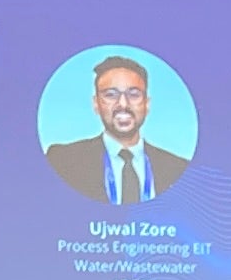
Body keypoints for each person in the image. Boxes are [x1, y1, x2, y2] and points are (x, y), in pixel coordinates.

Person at [44, 55, 191, 203]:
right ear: (96, 104)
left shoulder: (178, 169)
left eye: (134, 94)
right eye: (110, 95)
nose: (123, 104)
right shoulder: (63, 160)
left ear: (147, 104)